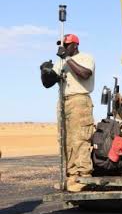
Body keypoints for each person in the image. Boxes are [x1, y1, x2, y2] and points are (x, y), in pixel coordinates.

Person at [40, 34, 95, 192]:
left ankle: (83, 176)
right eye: (62, 44)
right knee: (65, 140)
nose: (63, 47)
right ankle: (71, 177)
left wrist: (68, 59)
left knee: (80, 138)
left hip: (79, 100)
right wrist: (44, 72)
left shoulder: (85, 58)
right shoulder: (61, 62)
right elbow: (48, 84)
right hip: (64, 101)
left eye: (66, 44)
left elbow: (85, 74)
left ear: (75, 45)